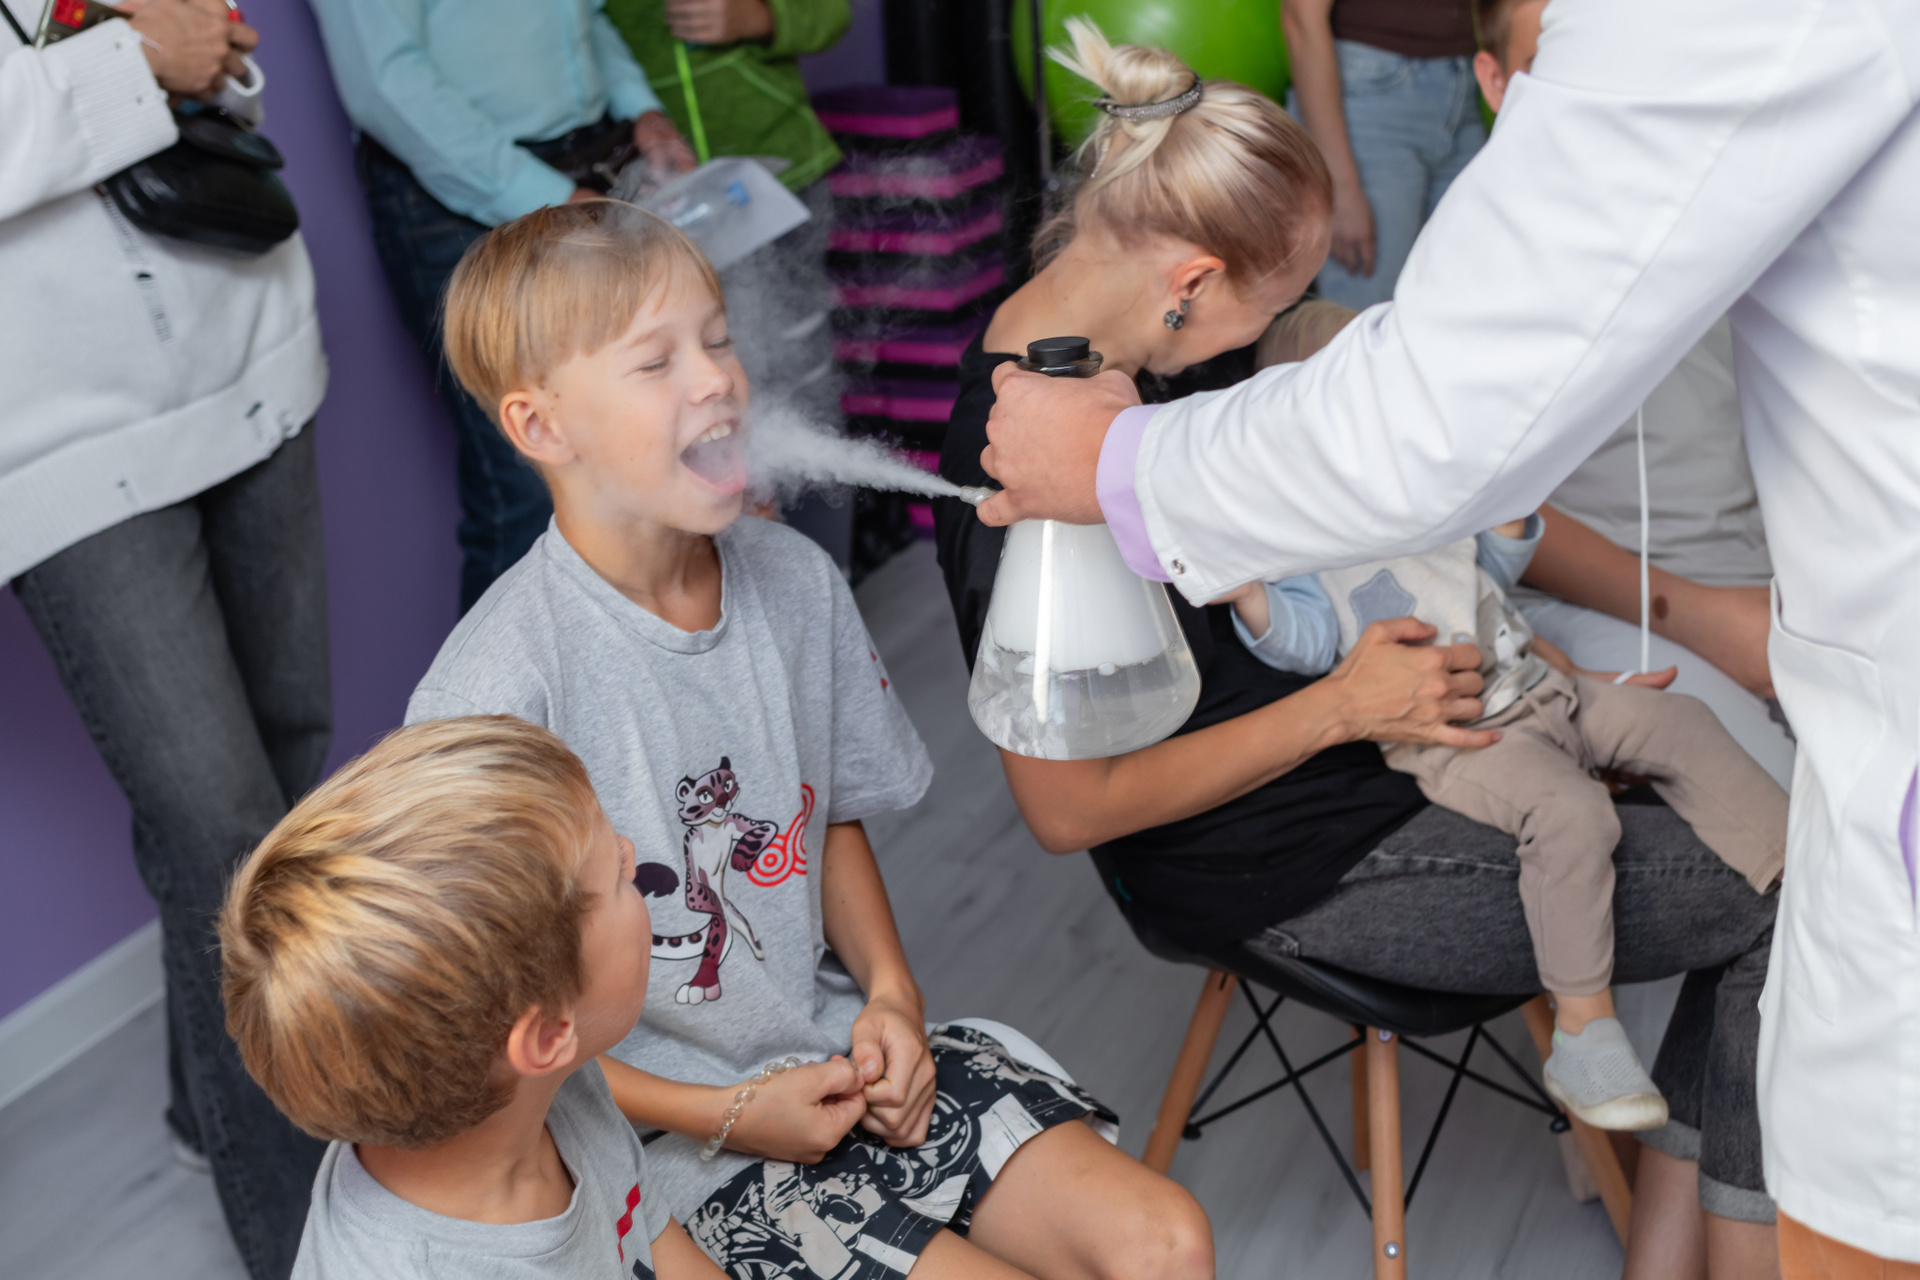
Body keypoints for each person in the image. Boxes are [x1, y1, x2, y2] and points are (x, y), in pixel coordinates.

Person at [972, 0, 1920, 1271]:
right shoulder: (1027, 451)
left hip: (1423, 744)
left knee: (1742, 806)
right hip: (1294, 854)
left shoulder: (1199, 356)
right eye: (1286, 301)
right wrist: (1346, 706)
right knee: (1789, 882)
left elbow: (1436, 490)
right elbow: (1069, 807)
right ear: (1193, 282)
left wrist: (1668, 620)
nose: (1300, 330)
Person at [403, 200, 1213, 1280]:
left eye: (718, 340)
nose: (716, 380)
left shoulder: (795, 580)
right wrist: (731, 1112)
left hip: (831, 1065)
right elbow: (504, 1049)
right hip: (657, 1149)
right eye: (656, 362)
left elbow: (822, 817)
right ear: (540, 426)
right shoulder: (494, 695)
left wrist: (891, 995)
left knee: (1168, 1242)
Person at [1226, 299, 1787, 1133]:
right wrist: (1243, 589)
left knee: (1681, 722)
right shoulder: (1306, 551)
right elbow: (1300, 641)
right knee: (1570, 814)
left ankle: (1792, 865)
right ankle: (1584, 1031)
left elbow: (1496, 564)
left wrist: (1513, 505)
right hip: (1463, 739)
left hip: (1543, 687)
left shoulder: (1433, 501)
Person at [3, 2, 331, 1276]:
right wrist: (138, 57)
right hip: (57, 440)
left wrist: (204, 56)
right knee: (220, 826)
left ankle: (214, 1105)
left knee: (287, 778)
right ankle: (303, 1236)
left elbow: (221, 70)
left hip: (251, 343)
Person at [220, 716, 730, 1280]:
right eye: (616, 877)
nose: (631, 853)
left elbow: (651, 1240)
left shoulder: (552, 1088)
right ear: (545, 1035)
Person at [1465, 0, 1792, 787]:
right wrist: (1704, 621)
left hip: (1783, 590)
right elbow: (1478, 507)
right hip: (1627, 608)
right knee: (1779, 803)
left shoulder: (1738, 203)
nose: (1592, 95)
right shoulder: (1481, 262)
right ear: (1495, 82)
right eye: (1555, 64)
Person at [305, 0, 697, 612]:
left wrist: (639, 108)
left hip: (590, 163)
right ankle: (506, 681)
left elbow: (586, 16)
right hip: (462, 191)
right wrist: (548, 197)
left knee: (634, 453)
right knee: (532, 484)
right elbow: (387, 84)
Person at [603, 0, 854, 563]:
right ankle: (734, 590)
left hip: (778, 179)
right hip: (661, 200)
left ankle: (826, 578)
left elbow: (831, 12)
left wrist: (763, 17)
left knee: (803, 394)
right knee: (701, 403)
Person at [1282, 0, 1485, 308]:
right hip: (1368, 98)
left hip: (1467, 85)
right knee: (1365, 314)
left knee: (1463, 307)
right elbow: (1301, 19)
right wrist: (1338, 186)